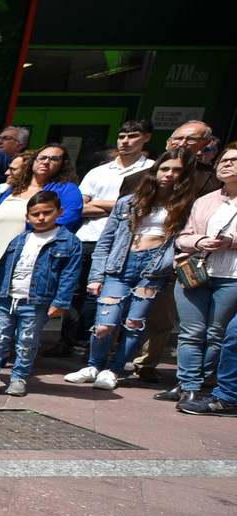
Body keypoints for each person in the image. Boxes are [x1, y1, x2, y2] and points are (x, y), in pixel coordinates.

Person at [63, 148, 198, 391]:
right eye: (164, 168)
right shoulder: (129, 202)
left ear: (185, 175)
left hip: (155, 269)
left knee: (135, 323)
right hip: (120, 265)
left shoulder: (187, 206)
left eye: (177, 170)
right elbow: (106, 240)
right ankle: (94, 365)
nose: (169, 174)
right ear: (155, 170)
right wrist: (96, 275)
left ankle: (114, 370)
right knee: (104, 324)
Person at [128, 120, 225, 384]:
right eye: (177, 139)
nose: (182, 144)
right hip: (137, 252)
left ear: (207, 144)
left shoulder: (215, 180)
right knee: (122, 308)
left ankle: (147, 362)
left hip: (183, 255)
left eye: (191, 139)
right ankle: (109, 359)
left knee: (162, 315)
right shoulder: (140, 176)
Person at [52, 120, 154, 357]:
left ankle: (94, 344)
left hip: (125, 242)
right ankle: (68, 340)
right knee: (75, 290)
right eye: (122, 136)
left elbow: (141, 206)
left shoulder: (151, 170)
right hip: (87, 237)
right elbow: (79, 207)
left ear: (146, 138)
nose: (125, 141)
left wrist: (101, 203)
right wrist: (119, 206)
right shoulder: (98, 172)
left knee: (106, 293)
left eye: (132, 136)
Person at [0, 192, 84, 397]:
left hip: (37, 301)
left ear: (60, 212)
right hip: (7, 298)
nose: (41, 218)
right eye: (35, 214)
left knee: (27, 341)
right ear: (27, 217)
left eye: (47, 212)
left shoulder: (69, 242)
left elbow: (70, 275)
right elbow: (2, 268)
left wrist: (60, 301)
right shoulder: (20, 239)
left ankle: (19, 377)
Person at [165, 143, 237, 406]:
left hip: (232, 277)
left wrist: (231, 240)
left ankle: (196, 382)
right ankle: (188, 386)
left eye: (234, 160)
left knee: (217, 333)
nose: (226, 164)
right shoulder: (205, 200)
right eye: (223, 160)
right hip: (196, 273)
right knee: (191, 332)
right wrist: (199, 241)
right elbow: (182, 237)